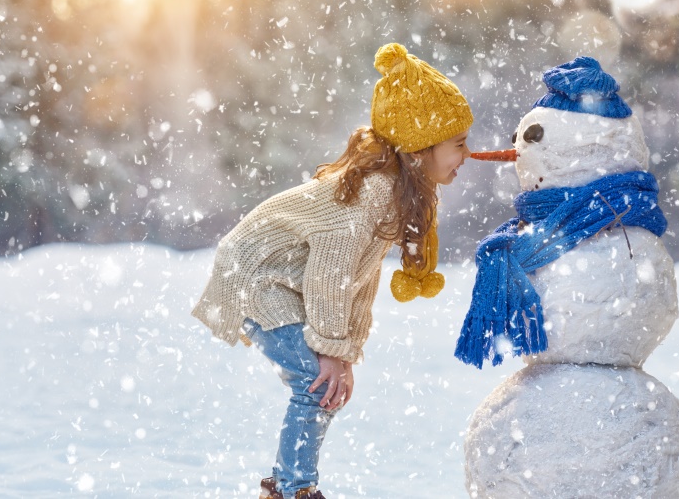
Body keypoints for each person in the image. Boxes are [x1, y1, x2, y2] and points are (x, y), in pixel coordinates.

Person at [191, 42, 472, 499]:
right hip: (256, 275)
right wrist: (330, 351)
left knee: (322, 383)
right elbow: (330, 271)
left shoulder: (397, 192)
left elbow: (359, 280)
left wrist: (344, 352)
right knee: (315, 382)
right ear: (420, 150)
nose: (467, 154)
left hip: (284, 280)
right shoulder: (376, 191)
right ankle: (294, 490)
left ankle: (286, 488)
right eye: (458, 144)